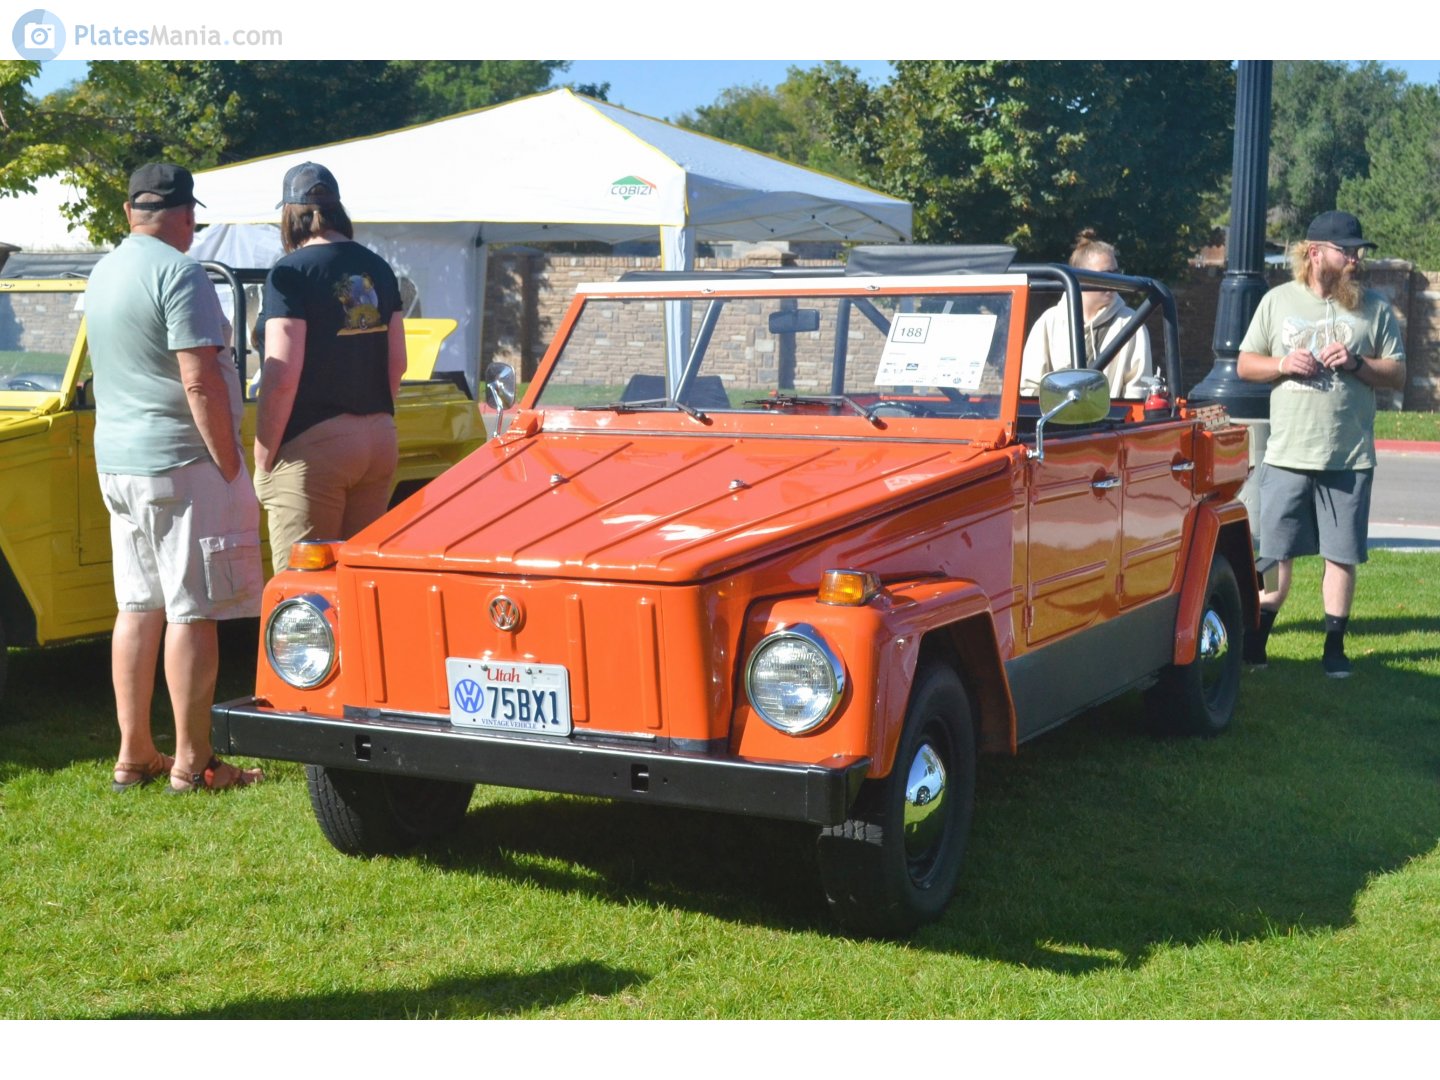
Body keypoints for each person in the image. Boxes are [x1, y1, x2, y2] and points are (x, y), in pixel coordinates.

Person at [87, 163, 264, 793]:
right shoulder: (181, 271)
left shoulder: (104, 269)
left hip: (118, 462)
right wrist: (229, 461)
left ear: (130, 211)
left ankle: (134, 753)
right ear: (185, 214)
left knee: (137, 607)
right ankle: (194, 762)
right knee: (194, 611)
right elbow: (199, 378)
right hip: (181, 463)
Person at [1237, 210, 1407, 678]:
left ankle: (1334, 646)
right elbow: (1245, 365)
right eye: (1346, 250)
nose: (1355, 258)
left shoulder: (1373, 309)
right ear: (1314, 253)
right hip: (1287, 453)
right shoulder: (1277, 302)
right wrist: (1283, 364)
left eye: (1357, 251)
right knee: (1274, 553)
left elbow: (1397, 373)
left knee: (1342, 554)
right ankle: (1257, 640)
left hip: (1347, 455)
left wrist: (1356, 363)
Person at [253, 162, 407, 575]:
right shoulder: (378, 267)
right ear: (338, 210)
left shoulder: (290, 273)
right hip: (379, 439)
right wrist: (369, 416)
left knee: (303, 596)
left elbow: (281, 373)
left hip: (315, 444)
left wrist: (264, 451)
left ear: (290, 214)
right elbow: (398, 363)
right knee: (358, 585)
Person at [1021, 230, 1154, 399]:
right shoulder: (1050, 321)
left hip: (1112, 423)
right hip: (1056, 420)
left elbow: (1138, 391)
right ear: (1079, 277)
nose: (1113, 281)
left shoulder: (1132, 323)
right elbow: (1029, 386)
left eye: (1116, 273)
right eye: (1105, 274)